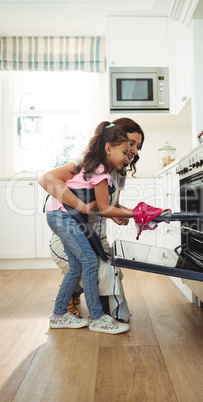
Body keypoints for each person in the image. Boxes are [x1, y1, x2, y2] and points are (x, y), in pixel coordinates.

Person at [45, 118, 145, 321]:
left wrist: (121, 214)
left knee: (111, 271)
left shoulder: (118, 171)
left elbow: (109, 205)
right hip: (70, 231)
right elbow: (47, 180)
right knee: (95, 269)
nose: (133, 151)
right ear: (112, 142)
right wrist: (81, 206)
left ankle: (78, 302)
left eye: (137, 146)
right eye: (130, 144)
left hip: (95, 237)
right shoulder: (89, 162)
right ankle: (79, 298)